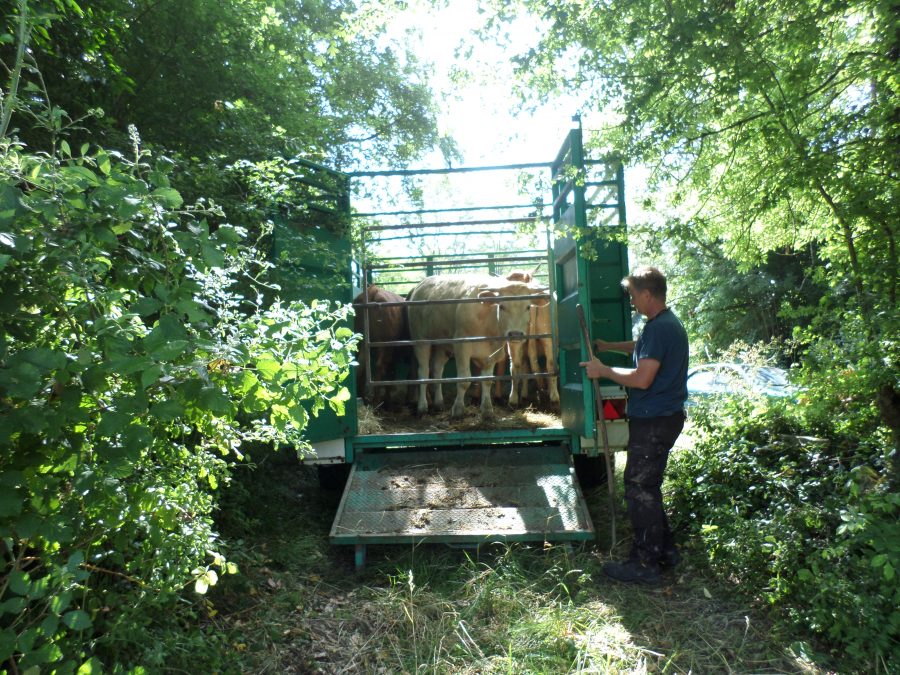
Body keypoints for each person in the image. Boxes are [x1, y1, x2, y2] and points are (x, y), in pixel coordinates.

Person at [580, 266, 689, 585]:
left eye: (632, 295)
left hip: (654, 420)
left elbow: (642, 378)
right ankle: (665, 551)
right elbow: (640, 347)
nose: (631, 301)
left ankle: (645, 564)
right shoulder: (664, 324)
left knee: (639, 489)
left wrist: (603, 370)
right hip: (662, 417)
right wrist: (608, 345)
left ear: (647, 294)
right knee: (648, 487)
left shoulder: (660, 329)